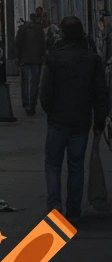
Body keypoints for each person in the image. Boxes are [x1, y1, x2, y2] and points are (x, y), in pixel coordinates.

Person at [39, 16, 110, 220]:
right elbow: (100, 93)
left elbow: (45, 91)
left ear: (61, 34)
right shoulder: (92, 59)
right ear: (81, 34)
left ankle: (54, 208)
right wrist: (99, 118)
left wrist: (50, 111)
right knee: (76, 166)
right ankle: (73, 211)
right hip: (81, 121)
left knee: (53, 165)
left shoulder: (53, 58)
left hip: (58, 121)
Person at [16, 11, 47, 116]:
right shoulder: (40, 29)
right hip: (36, 60)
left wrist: (18, 57)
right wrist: (42, 57)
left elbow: (17, 43)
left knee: (24, 82)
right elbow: (43, 45)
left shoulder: (22, 28)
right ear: (36, 19)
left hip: (24, 60)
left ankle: (26, 104)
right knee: (34, 83)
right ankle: (32, 105)